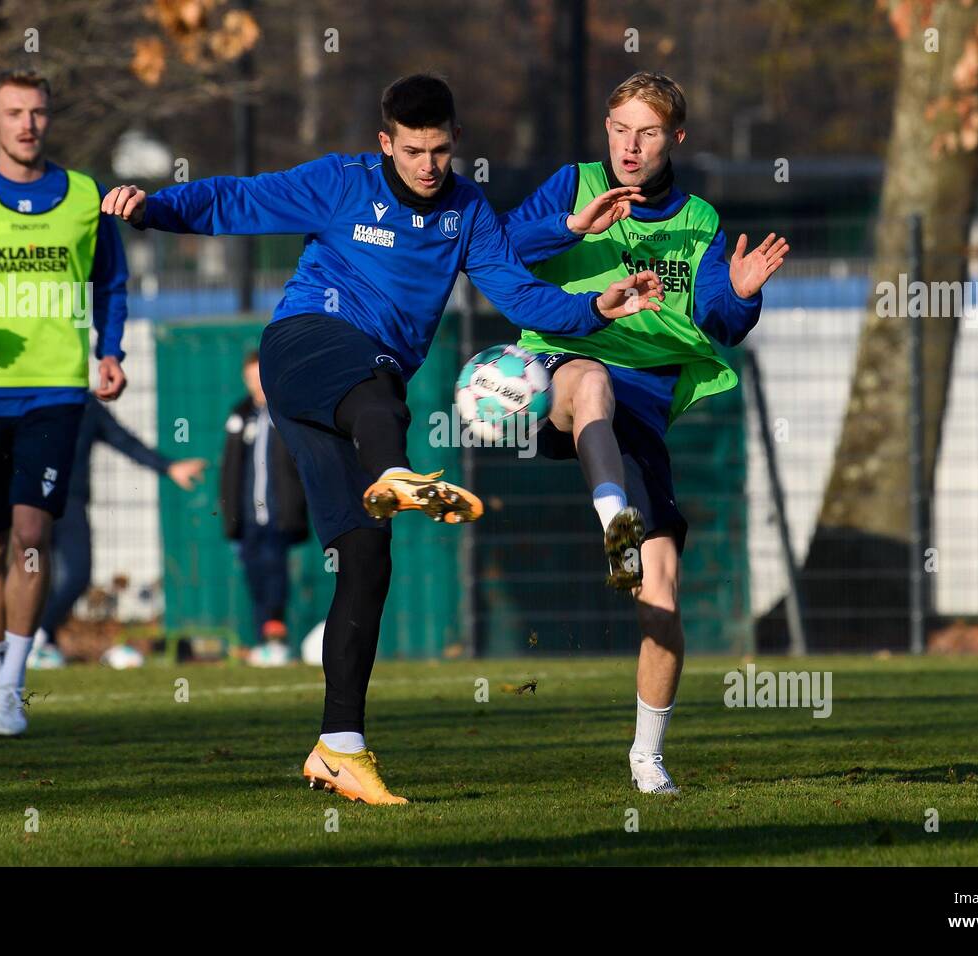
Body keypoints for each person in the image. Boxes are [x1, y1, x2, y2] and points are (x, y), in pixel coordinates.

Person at [102, 73, 662, 804]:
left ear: (455, 140)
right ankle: (396, 472)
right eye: (411, 151)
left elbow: (519, 294)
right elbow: (241, 199)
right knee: (378, 389)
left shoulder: (467, 211)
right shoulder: (341, 182)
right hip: (305, 348)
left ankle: (340, 747)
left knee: (367, 558)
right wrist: (154, 209)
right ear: (385, 143)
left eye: (437, 150)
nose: (426, 166)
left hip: (353, 402)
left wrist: (595, 304)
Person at [502, 71, 789, 794]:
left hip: (642, 409)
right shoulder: (573, 185)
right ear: (606, 129)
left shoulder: (700, 222)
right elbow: (499, 249)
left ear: (675, 139)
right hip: (564, 365)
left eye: (649, 133)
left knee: (661, 595)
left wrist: (744, 294)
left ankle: (647, 755)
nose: (631, 147)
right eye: (621, 130)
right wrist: (572, 228)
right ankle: (614, 523)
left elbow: (719, 317)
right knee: (591, 381)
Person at [0, 69, 131, 738]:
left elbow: (110, 282)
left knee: (30, 534)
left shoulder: (85, 196)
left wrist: (111, 353)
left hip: (55, 392)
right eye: (14, 112)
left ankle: (14, 688)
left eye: (38, 112)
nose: (28, 124)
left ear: (49, 120)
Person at [28, 396, 206, 669]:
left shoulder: (86, 406)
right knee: (31, 576)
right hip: (27, 502)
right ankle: (38, 642)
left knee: (78, 574)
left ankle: (38, 635)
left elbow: (125, 441)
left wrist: (168, 467)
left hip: (70, 504)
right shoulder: (26, 399)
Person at [220, 352, 309, 668]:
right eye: (250, 378)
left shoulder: (287, 411)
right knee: (255, 577)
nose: (255, 384)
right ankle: (264, 642)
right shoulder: (240, 414)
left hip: (278, 513)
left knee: (274, 571)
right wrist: (230, 517)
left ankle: (276, 638)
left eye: (260, 376)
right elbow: (230, 468)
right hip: (248, 517)